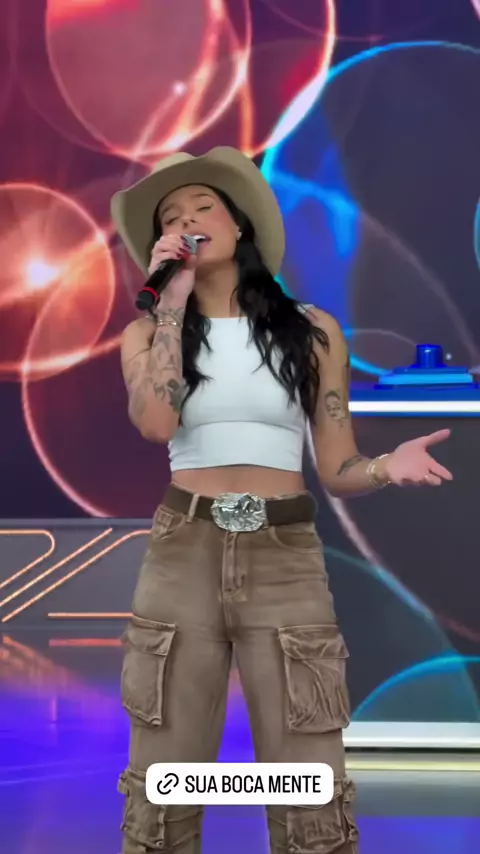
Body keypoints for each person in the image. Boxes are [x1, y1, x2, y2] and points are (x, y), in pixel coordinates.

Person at [111, 146, 453, 854]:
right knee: (164, 781)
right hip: (184, 552)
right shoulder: (146, 333)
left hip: (285, 555)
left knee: (309, 782)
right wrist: (171, 305)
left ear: (239, 224)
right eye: (170, 218)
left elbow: (338, 465)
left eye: (202, 206)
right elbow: (156, 424)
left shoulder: (312, 331)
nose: (186, 221)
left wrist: (386, 466)